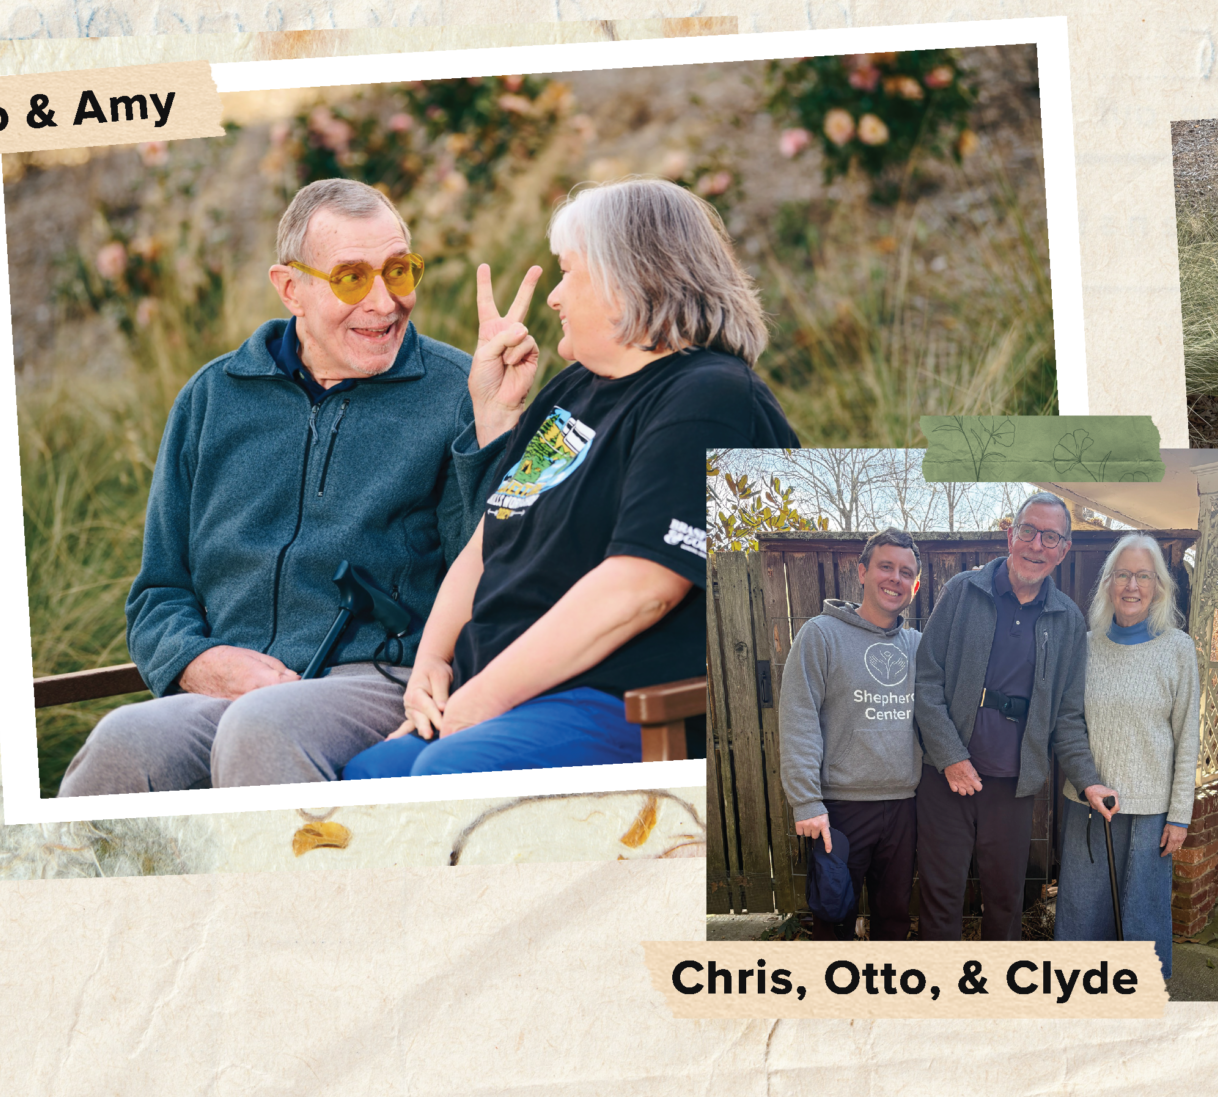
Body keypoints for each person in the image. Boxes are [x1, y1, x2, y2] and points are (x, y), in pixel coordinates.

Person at [344, 178, 799, 777]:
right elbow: (489, 538)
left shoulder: (710, 397)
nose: (554, 297)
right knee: (370, 777)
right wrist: (432, 660)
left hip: (629, 702)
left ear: (629, 278)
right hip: (519, 695)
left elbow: (640, 590)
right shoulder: (573, 391)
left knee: (440, 781)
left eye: (568, 274)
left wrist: (484, 697)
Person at [58, 179, 479, 796]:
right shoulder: (211, 398)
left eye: (398, 271)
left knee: (262, 727)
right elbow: (159, 592)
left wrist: (494, 432)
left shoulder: (462, 391)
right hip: (233, 692)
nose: (386, 302)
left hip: (385, 681)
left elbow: (493, 560)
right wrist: (200, 663)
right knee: (123, 741)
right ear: (291, 289)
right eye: (352, 279)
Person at [910, 494, 1114, 941]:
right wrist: (949, 757)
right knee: (940, 897)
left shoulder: (1066, 621)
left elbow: (1067, 715)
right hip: (947, 778)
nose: (1036, 545)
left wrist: (1088, 778)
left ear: (1062, 550)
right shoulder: (963, 592)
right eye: (1028, 531)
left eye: (1051, 537)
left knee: (1005, 901)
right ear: (1010, 535)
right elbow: (926, 682)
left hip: (1014, 784)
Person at [1051, 534, 1199, 979]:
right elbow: (1068, 721)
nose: (1131, 585)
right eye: (1122, 575)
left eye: (1143, 576)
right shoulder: (1087, 645)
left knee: (1142, 921)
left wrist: (1180, 816)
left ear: (1158, 586)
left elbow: (1186, 734)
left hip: (1151, 814)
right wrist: (1085, 782)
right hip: (1088, 808)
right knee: (1082, 916)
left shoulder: (1177, 649)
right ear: (1108, 583)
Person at [780, 529, 926, 941]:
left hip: (903, 804)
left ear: (914, 586)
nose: (895, 578)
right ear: (861, 571)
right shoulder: (821, 635)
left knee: (894, 916)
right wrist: (806, 800)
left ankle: (886, 998)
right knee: (833, 915)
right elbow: (798, 718)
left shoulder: (918, 646)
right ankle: (834, 1002)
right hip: (840, 808)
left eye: (905, 572)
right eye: (885, 567)